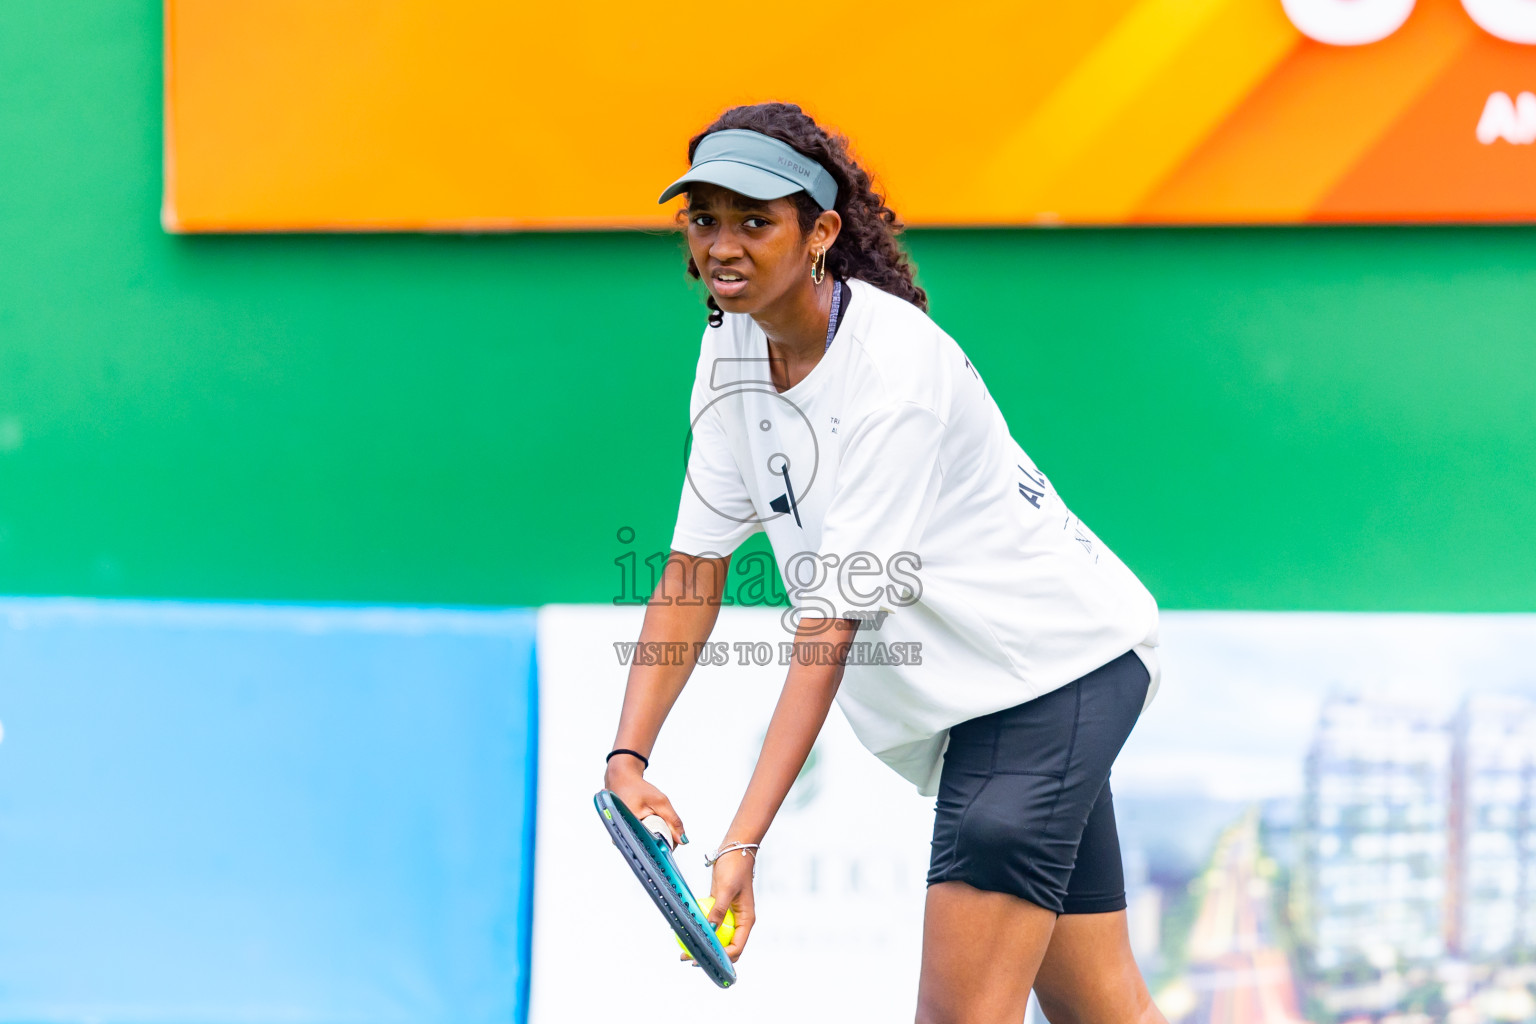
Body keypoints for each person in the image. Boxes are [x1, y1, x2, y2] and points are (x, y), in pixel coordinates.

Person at [602, 101, 1166, 1024]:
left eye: (755, 220)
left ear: (820, 232)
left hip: (1055, 675)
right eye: (703, 220)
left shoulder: (893, 368)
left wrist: (740, 842)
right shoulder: (729, 349)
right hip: (984, 704)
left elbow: (828, 626)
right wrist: (629, 757)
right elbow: (693, 569)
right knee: (1104, 1010)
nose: (723, 246)